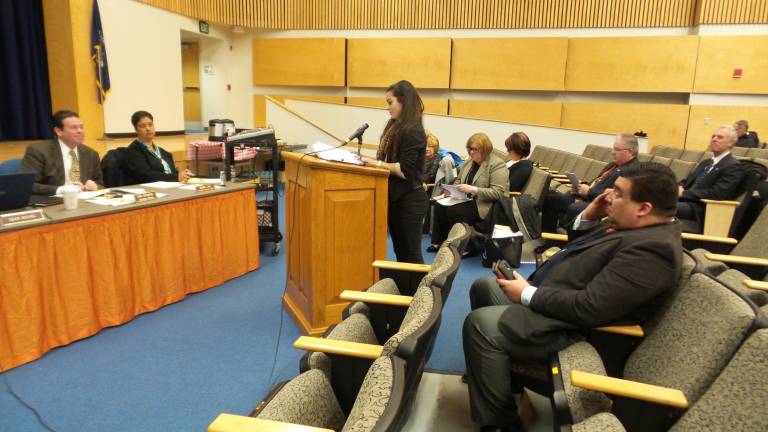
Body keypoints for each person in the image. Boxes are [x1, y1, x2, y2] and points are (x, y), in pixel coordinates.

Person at [463, 162, 682, 432]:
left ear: (644, 208)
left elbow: (591, 308)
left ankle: (502, 422)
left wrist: (528, 294)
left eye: (618, 192)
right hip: (556, 299)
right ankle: (504, 379)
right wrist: (589, 216)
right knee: (485, 286)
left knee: (481, 326)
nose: (608, 196)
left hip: (576, 328)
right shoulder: (636, 225)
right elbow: (584, 251)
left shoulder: (654, 249)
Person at [360, 80, 428, 264]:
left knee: (411, 255)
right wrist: (363, 158)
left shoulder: (413, 130)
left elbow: (403, 169)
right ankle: (405, 290)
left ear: (403, 101)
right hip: (396, 198)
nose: (388, 108)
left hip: (410, 200)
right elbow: (388, 162)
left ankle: (420, 293)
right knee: (400, 252)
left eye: (390, 102)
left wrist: (375, 164)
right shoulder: (395, 127)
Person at [541, 133, 639, 232]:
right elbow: (598, 181)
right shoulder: (613, 164)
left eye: (617, 149)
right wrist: (582, 186)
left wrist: (588, 192)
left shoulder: (631, 170)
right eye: (613, 148)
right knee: (551, 198)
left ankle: (569, 241)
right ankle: (549, 241)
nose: (613, 152)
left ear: (629, 152)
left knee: (574, 209)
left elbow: (615, 195)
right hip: (586, 196)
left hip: (599, 204)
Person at [427, 132, 508, 252]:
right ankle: (439, 242)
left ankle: (467, 246)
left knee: (455, 210)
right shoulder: (470, 162)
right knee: (439, 205)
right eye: (469, 149)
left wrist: (473, 190)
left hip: (484, 203)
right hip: (465, 198)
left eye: (474, 149)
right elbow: (459, 180)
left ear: (485, 150)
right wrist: (451, 191)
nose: (470, 152)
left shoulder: (497, 164)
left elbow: (498, 193)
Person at [21, 110, 103, 195]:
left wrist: (95, 187)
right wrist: (61, 190)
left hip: (86, 202)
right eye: (74, 127)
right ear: (58, 131)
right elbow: (29, 185)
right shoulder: (38, 151)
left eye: (81, 127)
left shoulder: (91, 154)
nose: (80, 131)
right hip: (53, 202)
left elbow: (100, 184)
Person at [677, 125, 745, 227]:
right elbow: (686, 182)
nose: (714, 139)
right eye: (713, 136)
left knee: (658, 208)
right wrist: (675, 188)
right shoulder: (706, 162)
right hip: (685, 201)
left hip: (701, 208)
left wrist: (685, 193)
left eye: (719, 137)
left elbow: (717, 194)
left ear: (731, 142)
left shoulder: (733, 166)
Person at [122, 111, 193, 184]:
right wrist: (176, 177)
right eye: (143, 126)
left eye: (150, 124)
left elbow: (171, 173)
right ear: (136, 129)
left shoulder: (164, 153)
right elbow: (146, 175)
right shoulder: (133, 151)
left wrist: (182, 174)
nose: (148, 128)